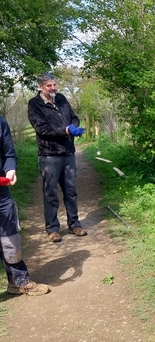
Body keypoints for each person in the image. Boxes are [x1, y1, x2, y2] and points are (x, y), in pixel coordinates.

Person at [28, 72, 88, 243]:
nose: (53, 88)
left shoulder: (61, 98)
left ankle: (74, 224)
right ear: (40, 86)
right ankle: (52, 229)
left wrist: (74, 126)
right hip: (49, 155)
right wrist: (66, 131)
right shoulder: (34, 104)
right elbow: (42, 129)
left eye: (54, 84)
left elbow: (74, 117)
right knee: (50, 193)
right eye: (49, 85)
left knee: (71, 191)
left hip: (68, 152)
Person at [0, 116, 50, 296]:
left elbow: (9, 154)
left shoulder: (1, 122)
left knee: (11, 240)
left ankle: (19, 282)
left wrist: (10, 169)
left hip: (1, 194)